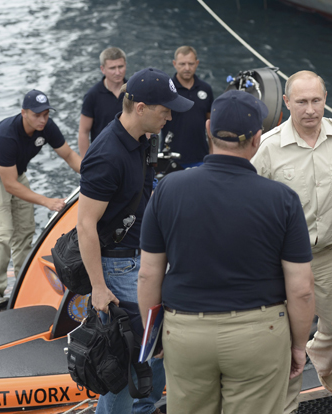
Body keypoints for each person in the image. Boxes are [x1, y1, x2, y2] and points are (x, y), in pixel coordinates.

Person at [137, 90, 315, 414]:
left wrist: (154, 338)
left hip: (186, 333)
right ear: (257, 139)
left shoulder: (168, 191)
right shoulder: (283, 200)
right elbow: (301, 289)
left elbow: (148, 273)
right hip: (258, 335)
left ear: (208, 130)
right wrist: (299, 345)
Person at [251, 70, 332, 412]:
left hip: (328, 253)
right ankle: (282, 395)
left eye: (317, 100)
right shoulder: (267, 148)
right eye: (302, 101)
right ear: (287, 102)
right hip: (280, 260)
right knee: (280, 334)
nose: (310, 109)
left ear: (326, 99)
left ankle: (319, 358)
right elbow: (245, 201)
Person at [77, 67, 194, 414]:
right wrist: (99, 288)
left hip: (144, 258)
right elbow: (85, 225)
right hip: (118, 266)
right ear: (141, 107)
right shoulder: (106, 155)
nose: (170, 117)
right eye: (165, 109)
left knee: (154, 346)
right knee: (127, 362)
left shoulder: (144, 141)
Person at [0, 90, 81, 313]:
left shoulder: (47, 127)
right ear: (23, 113)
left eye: (46, 114)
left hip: (16, 173)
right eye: (36, 115)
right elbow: (10, 185)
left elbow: (69, 155)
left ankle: (23, 283)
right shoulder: (6, 135)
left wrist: (94, 176)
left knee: (25, 232)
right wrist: (47, 202)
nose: (42, 119)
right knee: (2, 234)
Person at [159, 45, 213, 167]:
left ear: (197, 63)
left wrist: (212, 153)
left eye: (191, 64)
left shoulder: (206, 89)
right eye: (182, 64)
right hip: (171, 158)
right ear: (174, 64)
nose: (187, 68)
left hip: (201, 157)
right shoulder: (166, 90)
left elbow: (210, 123)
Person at [78, 47, 127, 156]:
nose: (117, 72)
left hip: (130, 155)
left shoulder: (135, 90)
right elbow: (83, 132)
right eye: (112, 68)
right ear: (102, 69)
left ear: (126, 65)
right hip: (103, 156)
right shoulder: (92, 96)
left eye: (120, 67)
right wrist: (86, 164)